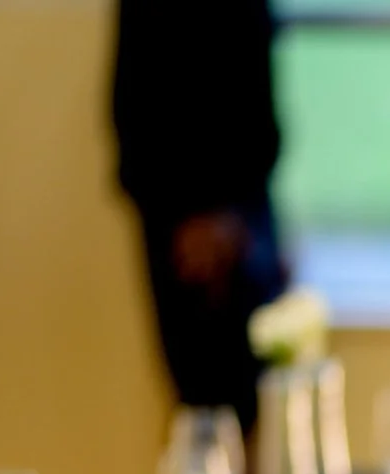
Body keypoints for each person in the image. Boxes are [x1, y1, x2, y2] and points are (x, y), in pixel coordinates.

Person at [111, 0, 288, 437]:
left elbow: (259, 109)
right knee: (202, 406)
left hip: (247, 218)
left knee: (257, 397)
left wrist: (245, 220)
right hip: (182, 224)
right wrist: (197, 220)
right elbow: (133, 112)